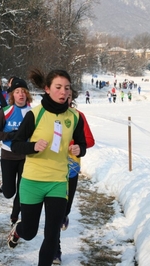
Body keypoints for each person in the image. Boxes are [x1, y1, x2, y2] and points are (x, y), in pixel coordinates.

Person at [7, 69, 87, 266]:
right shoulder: (35, 114)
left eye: (67, 88)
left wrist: (79, 149)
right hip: (32, 181)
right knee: (30, 232)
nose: (63, 92)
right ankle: (19, 230)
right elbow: (16, 144)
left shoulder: (75, 117)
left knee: (51, 235)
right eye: (58, 87)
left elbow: (83, 145)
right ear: (47, 89)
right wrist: (32, 147)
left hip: (58, 182)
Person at [53, 88, 95, 265]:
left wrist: (77, 145)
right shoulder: (48, 115)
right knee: (54, 212)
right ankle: (56, 251)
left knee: (64, 208)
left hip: (71, 168)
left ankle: (65, 215)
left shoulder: (78, 116)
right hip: (52, 169)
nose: (65, 98)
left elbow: (89, 140)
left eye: (69, 96)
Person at [0, 78, 33, 227]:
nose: (21, 94)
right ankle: (5, 184)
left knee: (23, 188)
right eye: (17, 92)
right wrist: (8, 136)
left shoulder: (32, 113)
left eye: (23, 92)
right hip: (8, 154)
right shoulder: (5, 111)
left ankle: (15, 215)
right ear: (12, 95)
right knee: (8, 192)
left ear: (27, 95)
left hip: (25, 156)